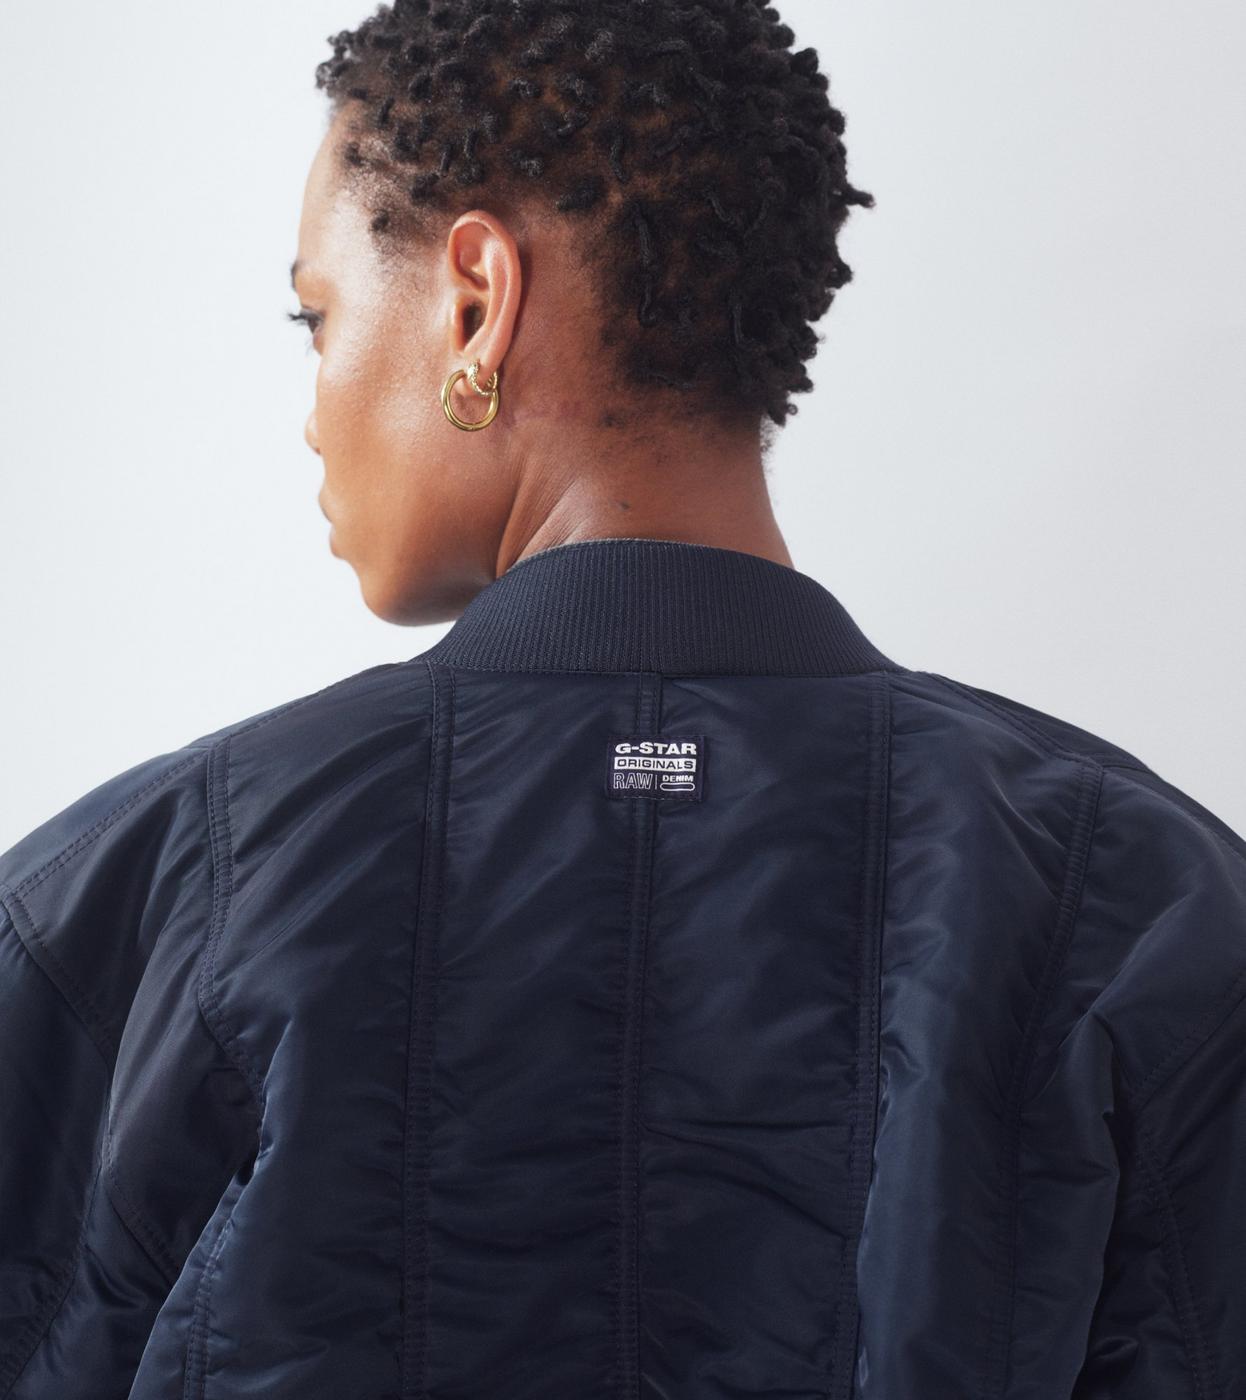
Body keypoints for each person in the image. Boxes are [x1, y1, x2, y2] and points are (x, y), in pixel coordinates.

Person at [1, 2, 1243, 1397]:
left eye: (318, 316)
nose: (312, 409)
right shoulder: (1147, 898)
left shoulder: (127, 901)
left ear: (477, 301)